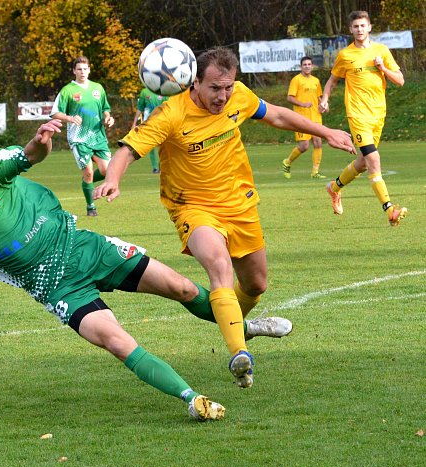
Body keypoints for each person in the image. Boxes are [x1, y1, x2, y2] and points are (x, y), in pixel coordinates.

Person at [0, 119, 289, 420]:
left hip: (84, 246)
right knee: (115, 341)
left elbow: (29, 155)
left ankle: (241, 326)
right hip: (55, 286)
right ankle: (193, 400)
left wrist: (41, 139)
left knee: (183, 288)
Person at [94, 47, 355, 389]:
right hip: (192, 206)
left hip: (239, 203)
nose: (223, 95)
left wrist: (327, 133)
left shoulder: (239, 97)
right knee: (219, 266)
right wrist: (112, 179)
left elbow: (276, 115)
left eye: (228, 87)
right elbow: (128, 150)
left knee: (256, 284)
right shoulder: (171, 114)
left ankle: (240, 325)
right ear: (195, 82)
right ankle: (239, 355)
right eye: (215, 88)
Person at [318, 10, 406, 226]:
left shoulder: (381, 51)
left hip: (378, 114)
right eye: (355, 26)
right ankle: (390, 210)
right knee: (373, 159)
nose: (359, 29)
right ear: (351, 29)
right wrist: (325, 99)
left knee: (363, 163)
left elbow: (400, 80)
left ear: (369, 27)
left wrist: (382, 67)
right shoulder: (345, 55)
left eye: (362, 26)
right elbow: (331, 81)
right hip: (357, 115)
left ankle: (334, 187)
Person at [50, 56, 115, 217]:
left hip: (98, 136)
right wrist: (70, 118)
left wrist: (108, 117)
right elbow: (55, 113)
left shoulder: (98, 88)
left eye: (85, 69)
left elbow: (105, 108)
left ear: (89, 70)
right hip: (79, 138)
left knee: (107, 171)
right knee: (88, 171)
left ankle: (88, 184)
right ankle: (90, 206)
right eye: (79, 69)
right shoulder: (68, 90)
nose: (82, 72)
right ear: (74, 71)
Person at [282, 56, 325, 179]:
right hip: (301, 117)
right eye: (304, 64)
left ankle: (315, 172)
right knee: (304, 146)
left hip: (315, 116)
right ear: (301, 67)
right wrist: (303, 104)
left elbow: (319, 98)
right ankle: (287, 162)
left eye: (309, 64)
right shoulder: (296, 80)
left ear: (312, 66)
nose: (307, 66)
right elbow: (290, 97)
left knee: (318, 142)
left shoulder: (316, 81)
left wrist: (323, 105)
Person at [132, 88, 168, 173]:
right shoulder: (144, 92)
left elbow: (169, 106)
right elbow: (140, 108)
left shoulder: (164, 90)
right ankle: (155, 167)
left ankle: (161, 166)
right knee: (150, 146)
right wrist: (134, 122)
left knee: (164, 145)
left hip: (162, 122)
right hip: (148, 123)